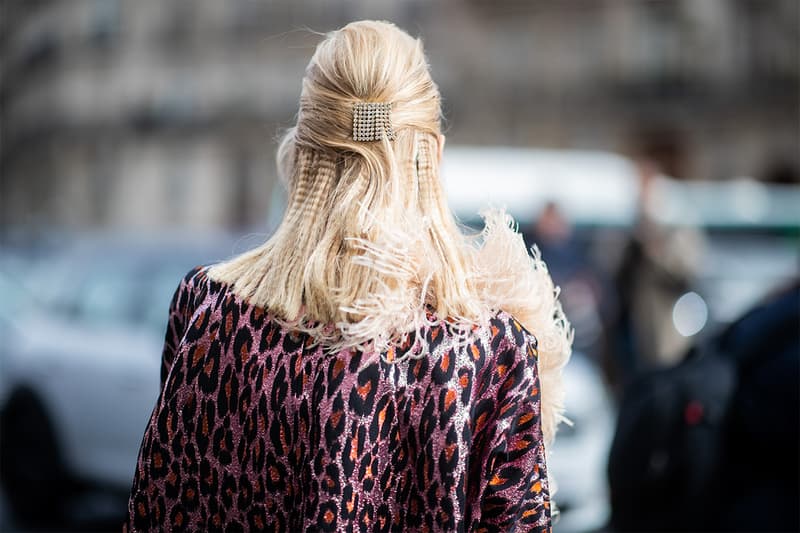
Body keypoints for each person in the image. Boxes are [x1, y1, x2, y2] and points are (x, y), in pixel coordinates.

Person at [125, 20, 571, 532]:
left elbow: (158, 509)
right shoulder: (491, 352)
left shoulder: (204, 308)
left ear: (301, 155)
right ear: (434, 156)